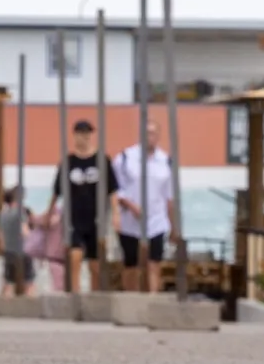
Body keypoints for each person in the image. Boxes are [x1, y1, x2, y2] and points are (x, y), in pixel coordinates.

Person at [47, 120, 119, 293]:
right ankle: (75, 292)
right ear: (75, 136)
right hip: (74, 217)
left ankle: (95, 294)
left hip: (97, 217)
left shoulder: (102, 160)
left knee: (95, 263)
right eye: (81, 133)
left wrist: (116, 214)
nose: (84, 137)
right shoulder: (69, 162)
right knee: (75, 255)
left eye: (87, 134)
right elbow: (57, 191)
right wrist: (49, 213)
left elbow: (112, 190)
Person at [112, 121, 177, 294]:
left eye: (154, 133)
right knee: (131, 263)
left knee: (154, 262)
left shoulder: (166, 161)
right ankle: (131, 297)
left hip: (157, 219)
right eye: (147, 133)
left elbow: (169, 196)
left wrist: (173, 225)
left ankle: (153, 298)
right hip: (130, 220)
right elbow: (115, 189)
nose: (150, 137)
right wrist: (130, 206)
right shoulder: (125, 158)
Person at [0, 187, 33, 297]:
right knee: (28, 281)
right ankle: (30, 307)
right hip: (23, 250)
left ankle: (3, 305)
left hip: (8, 250)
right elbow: (25, 232)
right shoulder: (20, 212)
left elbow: (1, 235)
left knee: (8, 281)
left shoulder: (3, 213)